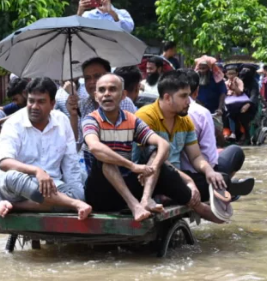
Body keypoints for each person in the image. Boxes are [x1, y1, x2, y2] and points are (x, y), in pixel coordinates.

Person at [82, 74, 202, 222]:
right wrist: (133, 166)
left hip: (126, 189)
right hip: (100, 194)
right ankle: (135, 206)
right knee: (105, 158)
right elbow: (95, 147)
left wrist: (152, 168)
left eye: (112, 89)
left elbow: (163, 144)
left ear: (123, 95)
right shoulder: (91, 120)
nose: (107, 94)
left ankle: (146, 200)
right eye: (102, 90)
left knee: (154, 152)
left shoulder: (131, 120)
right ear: (96, 96)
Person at [136, 72, 251, 213]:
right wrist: (188, 181)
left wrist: (209, 171)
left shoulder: (184, 120)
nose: (189, 101)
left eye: (189, 95)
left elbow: (196, 156)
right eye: (184, 96)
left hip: (178, 178)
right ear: (167, 98)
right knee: (219, 181)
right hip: (152, 179)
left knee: (220, 179)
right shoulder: (145, 117)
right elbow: (153, 159)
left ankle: (219, 187)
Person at [0, 78, 92, 221]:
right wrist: (36, 171)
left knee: (79, 193)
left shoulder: (62, 121)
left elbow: (71, 165)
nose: (34, 106)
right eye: (31, 101)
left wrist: (77, 192)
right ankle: (71, 203)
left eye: (41, 102)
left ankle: (17, 206)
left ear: (52, 104)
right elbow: (4, 162)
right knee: (11, 177)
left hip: (52, 188)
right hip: (17, 187)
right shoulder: (13, 123)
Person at [183, 71, 254, 199]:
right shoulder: (197, 112)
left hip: (179, 174)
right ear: (196, 91)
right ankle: (225, 185)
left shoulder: (160, 110)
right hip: (195, 177)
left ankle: (224, 183)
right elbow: (210, 160)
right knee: (235, 151)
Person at [65, 57, 138, 145]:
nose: (92, 82)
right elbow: (76, 145)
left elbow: (129, 140)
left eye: (97, 76)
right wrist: (73, 116)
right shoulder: (83, 104)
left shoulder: (123, 102)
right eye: (87, 78)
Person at [221, 66, 255, 144]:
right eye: (229, 74)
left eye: (233, 73)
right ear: (226, 74)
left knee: (235, 114)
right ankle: (227, 132)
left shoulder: (239, 81)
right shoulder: (225, 83)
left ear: (237, 74)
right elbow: (224, 93)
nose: (231, 75)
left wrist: (234, 88)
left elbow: (240, 92)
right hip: (229, 103)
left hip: (240, 103)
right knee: (225, 113)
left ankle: (240, 133)